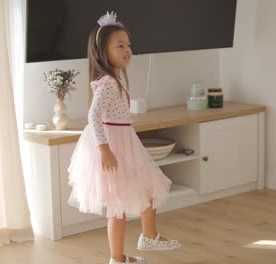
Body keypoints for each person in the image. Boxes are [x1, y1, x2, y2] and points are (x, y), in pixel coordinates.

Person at [67, 11, 181, 264]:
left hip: (124, 143)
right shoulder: (107, 82)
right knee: (119, 208)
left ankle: (144, 238)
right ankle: (121, 256)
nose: (127, 49)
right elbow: (93, 115)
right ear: (102, 52)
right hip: (114, 148)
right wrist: (104, 149)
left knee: (146, 191)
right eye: (120, 45)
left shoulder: (114, 79)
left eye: (128, 44)